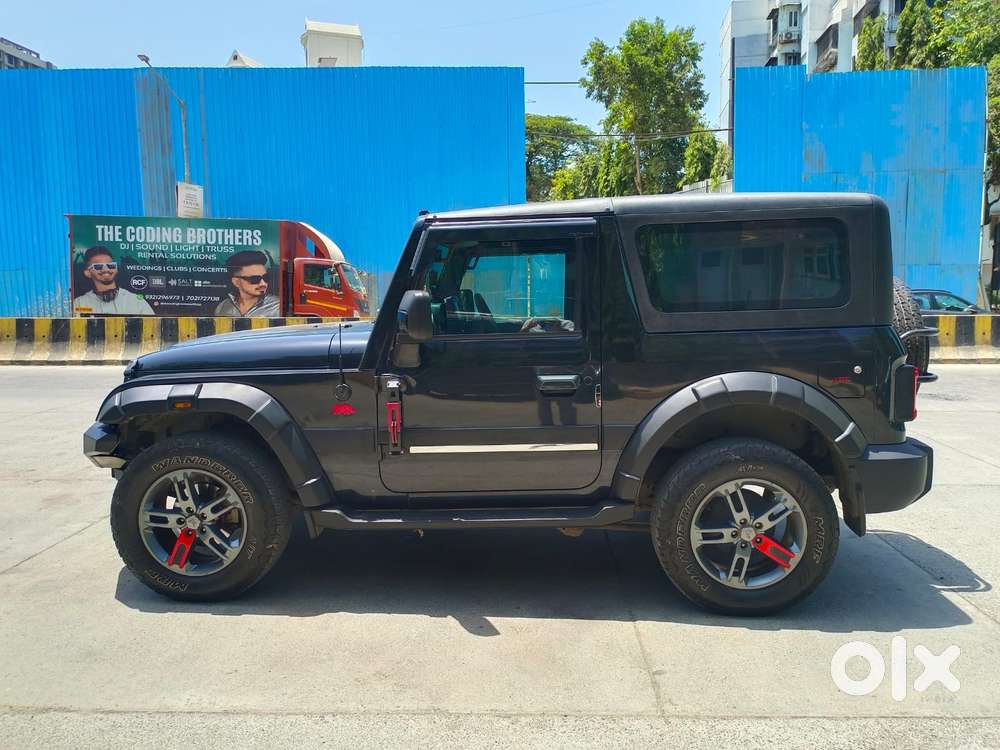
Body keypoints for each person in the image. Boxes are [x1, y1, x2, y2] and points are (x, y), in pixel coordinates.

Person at [73, 246, 155, 315]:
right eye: (98, 266)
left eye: (110, 265)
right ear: (87, 273)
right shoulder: (80, 303)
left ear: (116, 269)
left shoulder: (135, 301)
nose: (106, 269)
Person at [213, 250, 280, 317]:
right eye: (254, 279)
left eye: (266, 277)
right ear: (236, 282)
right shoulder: (223, 306)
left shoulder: (277, 307)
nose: (263, 283)